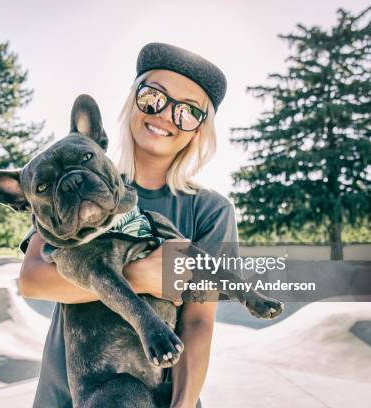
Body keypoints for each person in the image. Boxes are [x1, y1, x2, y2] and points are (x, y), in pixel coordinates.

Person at [18, 42, 239, 408]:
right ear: (132, 101)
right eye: (154, 97)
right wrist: (140, 276)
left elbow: (199, 322)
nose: (167, 115)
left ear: (200, 130)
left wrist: (182, 406)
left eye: (188, 112)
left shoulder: (212, 211)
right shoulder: (79, 177)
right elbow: (33, 279)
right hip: (66, 396)